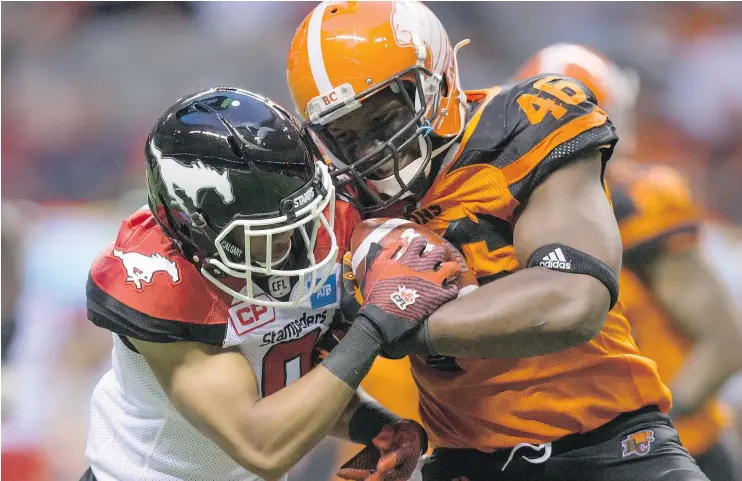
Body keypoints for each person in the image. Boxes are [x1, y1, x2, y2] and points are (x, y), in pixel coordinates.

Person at [286, 2, 710, 479]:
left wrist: (394, 321)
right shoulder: (340, 206)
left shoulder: (523, 124)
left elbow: (573, 299)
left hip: (611, 446)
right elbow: (293, 357)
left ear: (437, 81)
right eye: (347, 136)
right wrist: (378, 425)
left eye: (383, 119)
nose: (372, 150)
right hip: (465, 461)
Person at [81, 87, 463, 481]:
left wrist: (374, 426)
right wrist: (376, 325)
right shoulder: (161, 279)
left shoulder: (327, 220)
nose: (296, 238)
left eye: (303, 216)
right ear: (195, 225)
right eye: (268, 230)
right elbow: (262, 446)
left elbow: (283, 373)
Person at [514, 43, 742, 481]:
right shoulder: (512, 214)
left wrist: (641, 443)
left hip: (680, 453)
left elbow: (723, 343)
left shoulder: (639, 205)